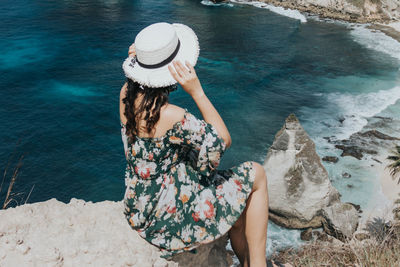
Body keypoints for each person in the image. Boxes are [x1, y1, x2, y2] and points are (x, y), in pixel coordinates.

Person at [119, 22, 284, 267]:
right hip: (170, 215)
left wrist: (141, 57)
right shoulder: (170, 115)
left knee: (238, 217)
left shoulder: (125, 94)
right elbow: (223, 140)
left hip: (141, 206)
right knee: (256, 174)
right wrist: (197, 92)